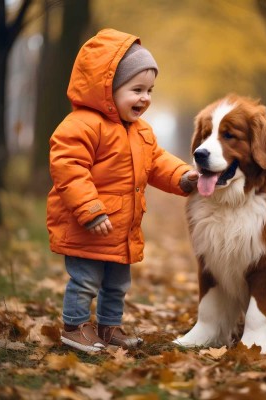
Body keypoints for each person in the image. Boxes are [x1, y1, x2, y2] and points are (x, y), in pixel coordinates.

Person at [47, 28, 198, 352]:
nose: (145, 98)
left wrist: (184, 176)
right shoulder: (82, 125)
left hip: (121, 227)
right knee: (85, 281)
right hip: (88, 224)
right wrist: (89, 209)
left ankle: (109, 327)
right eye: (136, 89)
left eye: (150, 90)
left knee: (117, 284)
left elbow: (156, 162)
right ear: (107, 88)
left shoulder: (140, 131)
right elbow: (69, 170)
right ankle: (74, 327)